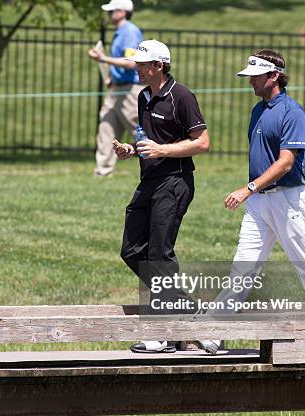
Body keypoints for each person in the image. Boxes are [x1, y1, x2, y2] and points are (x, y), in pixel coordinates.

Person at [194, 49, 305, 357]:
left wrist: (248, 188)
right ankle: (216, 330)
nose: (250, 81)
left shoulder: (293, 112)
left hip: (287, 199)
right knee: (243, 265)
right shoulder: (258, 110)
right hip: (260, 203)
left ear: (274, 76)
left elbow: (286, 162)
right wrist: (254, 193)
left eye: (256, 76)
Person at [112, 40, 210, 353]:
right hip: (150, 180)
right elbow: (147, 137)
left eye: (142, 64)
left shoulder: (181, 95)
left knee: (159, 254)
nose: (137, 68)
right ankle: (190, 312)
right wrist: (132, 148)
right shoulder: (143, 96)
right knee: (131, 250)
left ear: (158, 65)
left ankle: (164, 333)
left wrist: (162, 150)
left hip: (175, 180)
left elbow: (203, 142)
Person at [88, 0, 143, 177]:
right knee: (106, 126)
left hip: (129, 91)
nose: (109, 14)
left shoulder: (130, 31)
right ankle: (102, 172)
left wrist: (103, 59)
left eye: (112, 11)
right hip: (116, 89)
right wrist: (112, 76)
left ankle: (160, 162)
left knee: (140, 129)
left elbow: (132, 62)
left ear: (122, 12)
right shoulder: (120, 32)